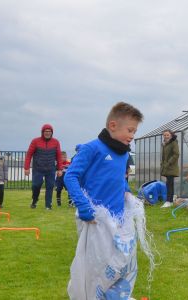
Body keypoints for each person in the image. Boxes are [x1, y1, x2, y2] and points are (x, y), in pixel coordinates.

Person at [64, 102, 144, 299]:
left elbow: (119, 179)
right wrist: (84, 207)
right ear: (113, 125)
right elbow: (70, 176)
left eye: (135, 131)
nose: (132, 135)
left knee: (119, 261)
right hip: (94, 220)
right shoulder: (92, 149)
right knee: (96, 264)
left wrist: (126, 192)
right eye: (130, 130)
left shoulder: (123, 153)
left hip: (117, 219)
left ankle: (113, 294)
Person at [24, 124, 63, 210]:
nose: (47, 133)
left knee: (50, 186)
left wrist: (60, 169)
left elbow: (59, 156)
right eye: (46, 131)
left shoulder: (56, 142)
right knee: (35, 185)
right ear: (42, 132)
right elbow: (29, 154)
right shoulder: (35, 141)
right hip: (38, 169)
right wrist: (26, 168)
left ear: (52, 133)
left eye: (49, 131)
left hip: (51, 169)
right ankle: (34, 200)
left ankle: (48, 205)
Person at [160, 129, 179, 207]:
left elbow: (176, 154)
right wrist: (163, 164)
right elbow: (164, 156)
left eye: (167, 135)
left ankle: (169, 201)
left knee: (169, 184)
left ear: (171, 135)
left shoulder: (173, 143)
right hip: (166, 167)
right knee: (169, 184)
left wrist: (168, 163)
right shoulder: (165, 144)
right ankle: (170, 201)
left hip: (171, 167)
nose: (166, 136)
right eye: (164, 135)